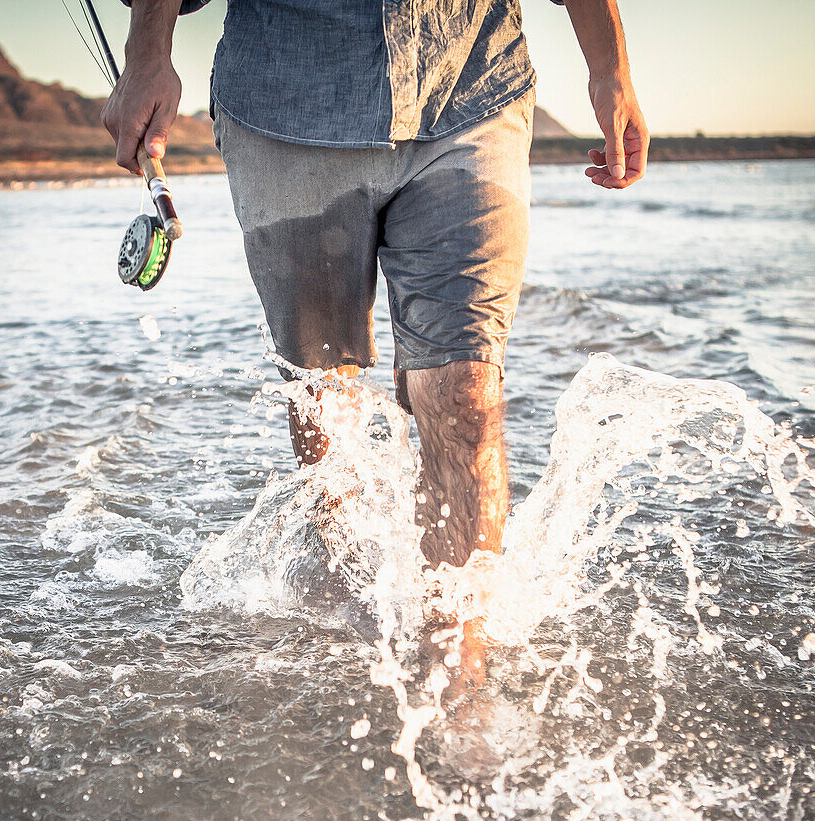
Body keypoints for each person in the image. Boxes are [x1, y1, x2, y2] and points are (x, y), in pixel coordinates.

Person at [104, 0, 648, 696]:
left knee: (466, 395)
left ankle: (458, 677)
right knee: (321, 392)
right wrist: (147, 52)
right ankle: (353, 613)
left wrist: (610, 65)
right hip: (286, 106)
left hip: (471, 88)